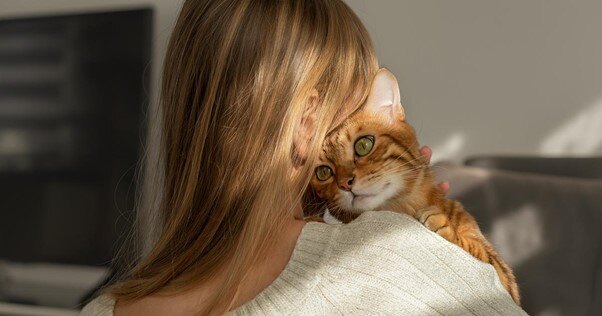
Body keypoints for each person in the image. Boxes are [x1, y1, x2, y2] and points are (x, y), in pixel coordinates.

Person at [82, 0, 525, 315]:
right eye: (354, 100)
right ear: (307, 119)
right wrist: (428, 255)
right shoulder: (386, 258)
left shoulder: (106, 308)